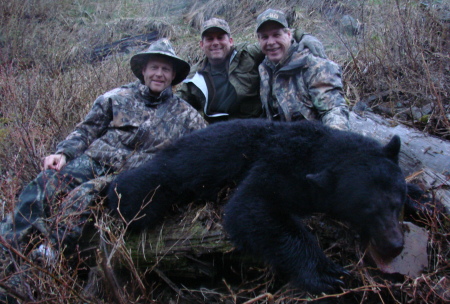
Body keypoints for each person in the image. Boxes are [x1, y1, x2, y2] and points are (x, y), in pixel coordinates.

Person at [0, 39, 207, 255]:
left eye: (166, 69)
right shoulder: (116, 97)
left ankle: (49, 253)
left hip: (129, 175)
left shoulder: (186, 115)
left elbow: (205, 146)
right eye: (154, 67)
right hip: (93, 161)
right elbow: (86, 130)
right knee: (44, 183)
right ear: (144, 70)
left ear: (173, 76)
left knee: (83, 195)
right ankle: (7, 247)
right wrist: (62, 153)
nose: (159, 74)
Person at [178, 17, 327, 123]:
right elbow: (177, 105)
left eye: (220, 37)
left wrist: (304, 36)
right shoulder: (194, 77)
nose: (215, 43)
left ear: (230, 41)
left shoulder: (248, 53)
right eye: (210, 39)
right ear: (201, 45)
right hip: (220, 137)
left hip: (258, 130)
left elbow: (276, 37)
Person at [256, 9, 350, 130]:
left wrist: (332, 142)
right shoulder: (264, 69)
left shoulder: (315, 67)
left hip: (315, 142)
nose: (271, 42)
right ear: (259, 41)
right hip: (280, 142)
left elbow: (334, 110)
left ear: (289, 35)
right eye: (264, 37)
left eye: (276, 35)